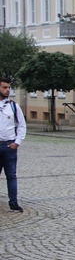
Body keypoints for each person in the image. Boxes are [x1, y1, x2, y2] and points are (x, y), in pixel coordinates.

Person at [0, 78, 26, 212]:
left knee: (11, 175)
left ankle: (13, 202)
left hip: (9, 146)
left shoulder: (13, 106)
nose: (7, 90)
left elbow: (21, 125)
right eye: (4, 87)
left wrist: (17, 142)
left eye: (8, 87)